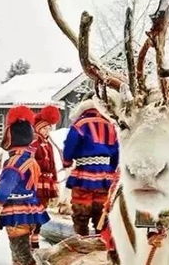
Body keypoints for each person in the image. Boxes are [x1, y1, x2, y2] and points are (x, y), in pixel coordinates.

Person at [0, 106, 50, 265]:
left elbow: (5, 189)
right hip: (30, 209)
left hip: (16, 213)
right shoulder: (30, 159)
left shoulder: (13, 163)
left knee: (21, 255)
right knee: (24, 251)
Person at [62, 94, 119, 236]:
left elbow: (70, 145)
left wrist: (67, 161)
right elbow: (117, 150)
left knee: (82, 205)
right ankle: (100, 237)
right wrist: (112, 168)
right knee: (101, 207)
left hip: (84, 171)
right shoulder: (110, 125)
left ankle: (82, 237)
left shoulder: (80, 124)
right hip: (105, 174)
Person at [29, 105, 61, 249]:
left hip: (47, 181)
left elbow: (53, 163)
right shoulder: (34, 143)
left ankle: (35, 238)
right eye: (44, 128)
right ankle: (31, 240)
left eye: (49, 128)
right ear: (37, 129)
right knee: (36, 210)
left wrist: (55, 180)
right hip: (38, 181)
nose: (47, 131)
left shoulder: (48, 144)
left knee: (42, 210)